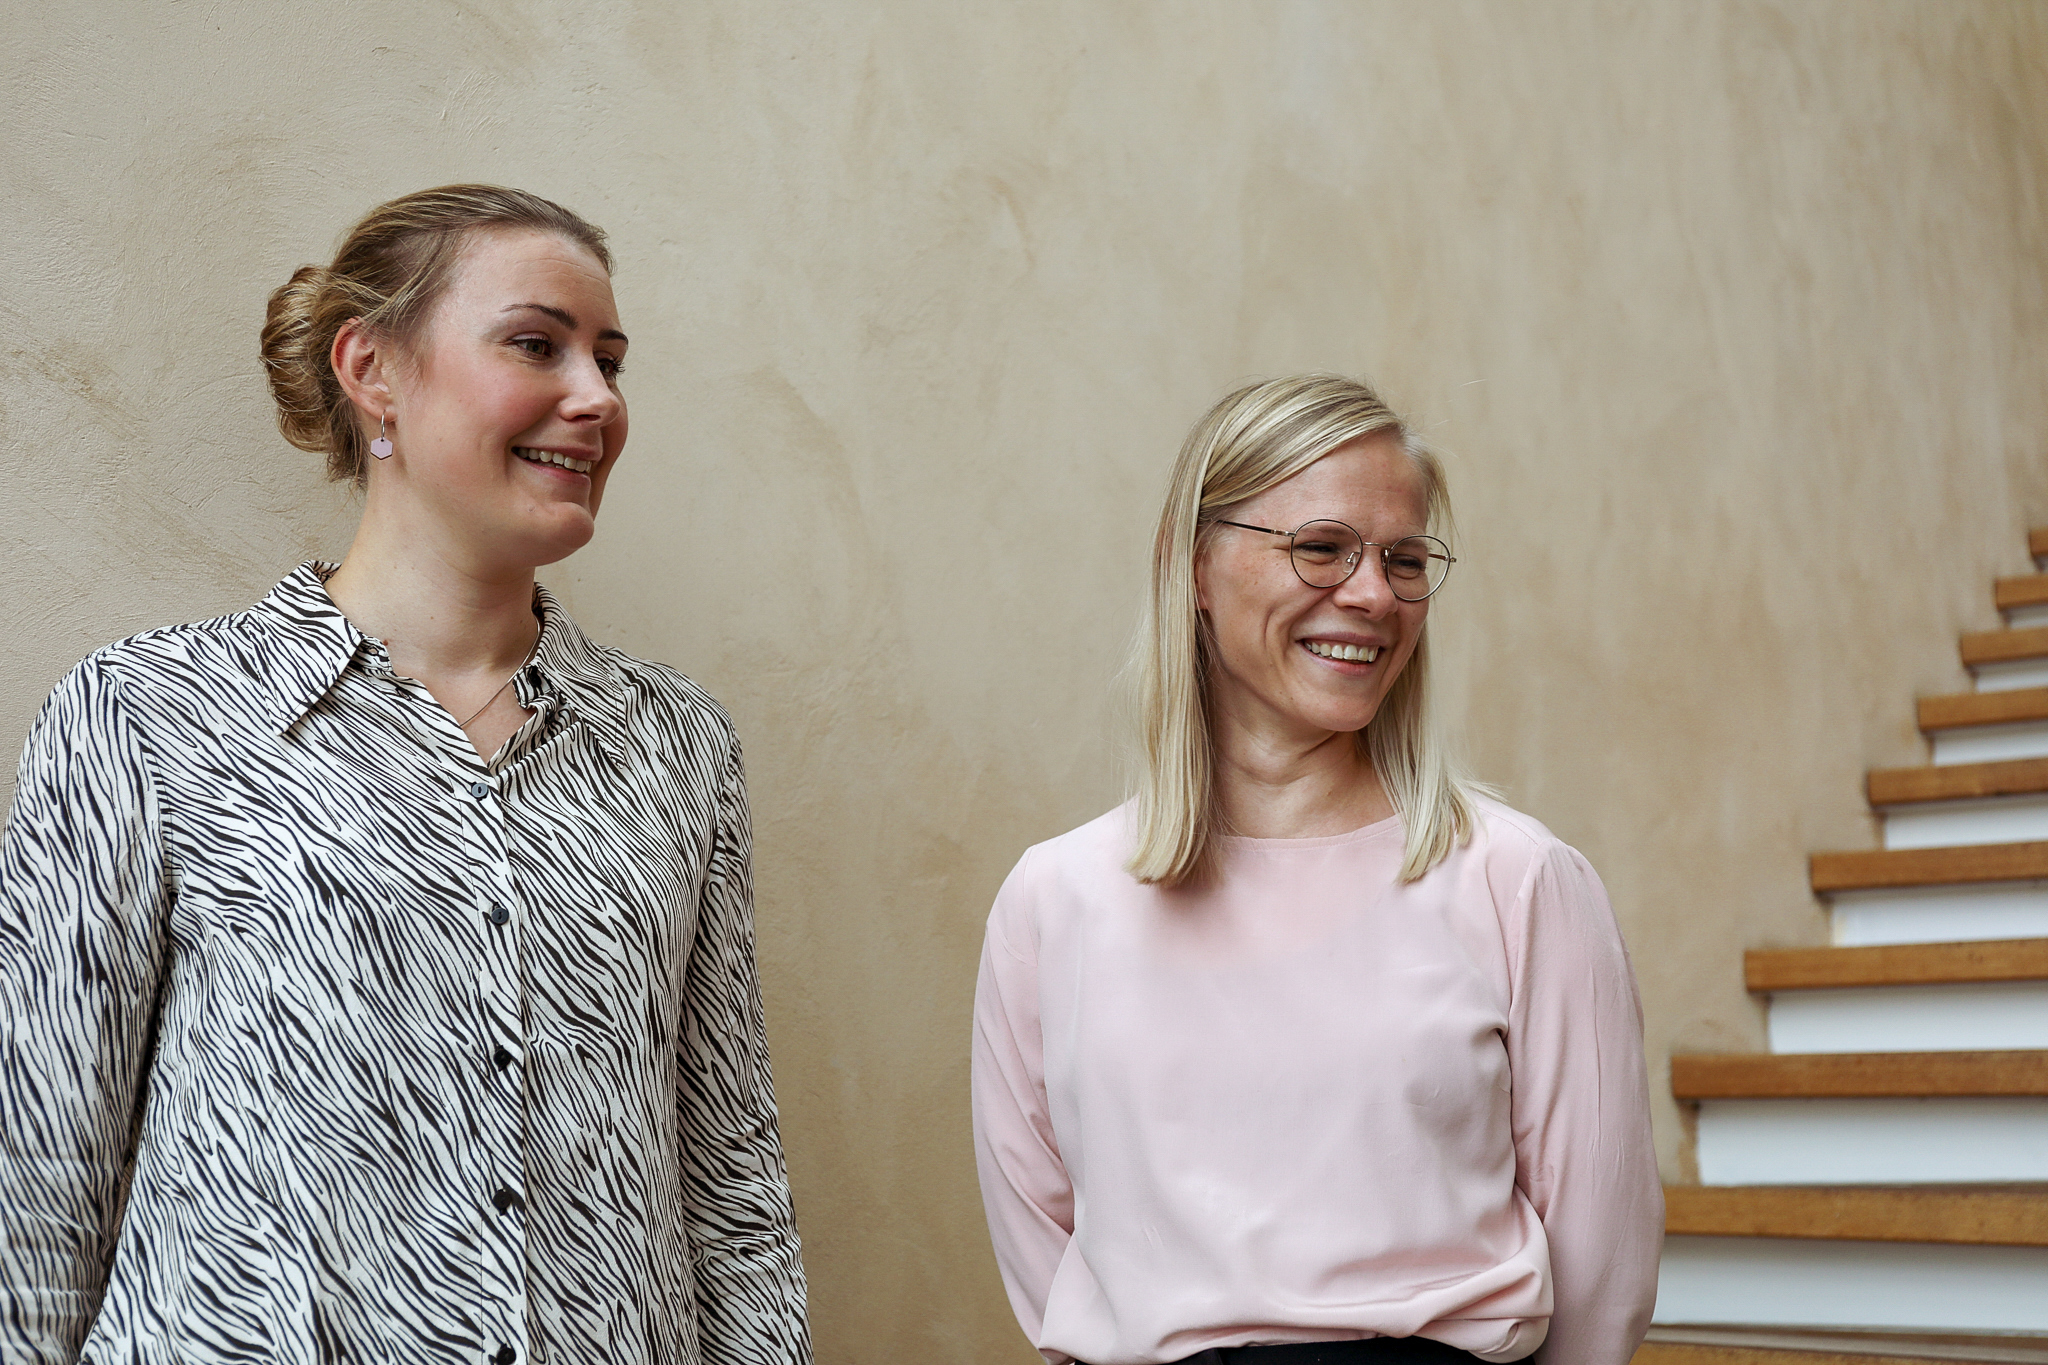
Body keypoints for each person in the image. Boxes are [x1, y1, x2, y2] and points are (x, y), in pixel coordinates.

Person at [1, 185, 811, 1364]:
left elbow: (730, 1183)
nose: (596, 398)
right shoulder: (148, 715)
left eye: (609, 361)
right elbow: (37, 1181)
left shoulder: (674, 743)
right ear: (371, 369)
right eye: (536, 344)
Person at [971, 375, 1662, 1365]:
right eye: (1321, 547)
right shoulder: (1052, 900)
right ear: (1193, 566)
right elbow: (1045, 1251)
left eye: (1403, 559)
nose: (1373, 594)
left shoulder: (1518, 880)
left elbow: (1600, 1275)